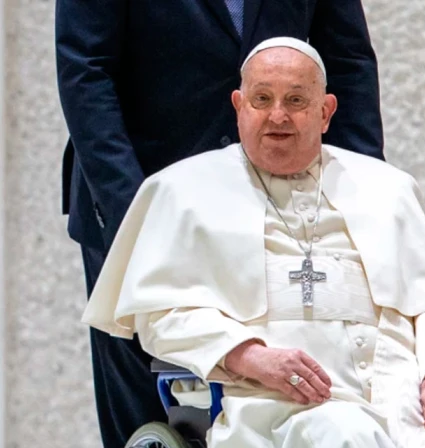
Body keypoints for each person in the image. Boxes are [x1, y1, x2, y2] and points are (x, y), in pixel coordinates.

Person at [83, 37, 425, 447]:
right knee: (344, 434)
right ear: (238, 106)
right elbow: (162, 315)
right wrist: (249, 357)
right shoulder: (182, 191)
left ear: (326, 112)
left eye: (296, 100)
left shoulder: (389, 188)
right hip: (273, 401)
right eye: (262, 99)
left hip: (404, 394)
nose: (278, 116)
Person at [55, 1, 383, 446]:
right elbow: (85, 70)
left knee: (287, 397)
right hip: (139, 200)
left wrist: (364, 196)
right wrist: (136, 215)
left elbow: (348, 60)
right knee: (149, 417)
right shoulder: (142, 212)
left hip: (282, 210)